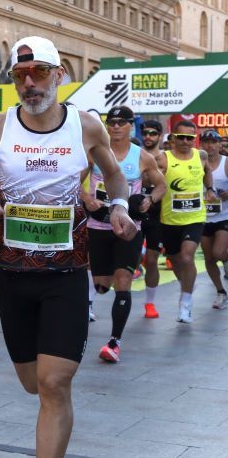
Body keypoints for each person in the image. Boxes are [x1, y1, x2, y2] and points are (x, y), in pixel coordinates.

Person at [0, 36, 136, 458]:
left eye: (39, 73)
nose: (30, 83)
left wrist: (118, 206)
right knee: (33, 382)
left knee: (56, 383)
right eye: (21, 75)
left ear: (59, 74)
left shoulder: (85, 125)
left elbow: (114, 173)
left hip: (66, 271)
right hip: (12, 273)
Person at [79, 106, 162, 363]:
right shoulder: (95, 153)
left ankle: (114, 342)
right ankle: (98, 293)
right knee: (102, 284)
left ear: (130, 126)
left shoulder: (142, 156)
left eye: (121, 122)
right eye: (111, 122)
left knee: (123, 279)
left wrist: (149, 199)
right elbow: (74, 181)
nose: (115, 126)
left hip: (129, 228)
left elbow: (161, 185)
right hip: (99, 225)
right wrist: (87, 198)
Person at [155, 119, 211, 323]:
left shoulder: (201, 155)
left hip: (195, 217)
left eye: (190, 138)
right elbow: (151, 179)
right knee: (176, 260)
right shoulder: (164, 159)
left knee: (187, 257)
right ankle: (187, 284)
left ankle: (185, 303)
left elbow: (208, 173)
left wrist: (210, 189)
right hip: (169, 220)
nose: (186, 141)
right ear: (173, 138)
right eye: (182, 137)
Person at [139, 119, 167, 317]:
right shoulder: (135, 155)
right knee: (129, 258)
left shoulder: (165, 158)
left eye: (153, 133)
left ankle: (150, 303)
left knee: (152, 260)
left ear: (159, 136)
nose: (148, 137)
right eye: (145, 133)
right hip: (135, 212)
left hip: (157, 214)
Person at [200, 130, 228, 310]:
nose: (209, 145)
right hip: (203, 218)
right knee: (209, 259)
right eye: (206, 142)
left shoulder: (226, 163)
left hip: (224, 216)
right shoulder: (196, 162)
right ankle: (221, 292)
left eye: (213, 142)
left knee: (218, 253)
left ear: (220, 144)